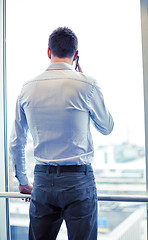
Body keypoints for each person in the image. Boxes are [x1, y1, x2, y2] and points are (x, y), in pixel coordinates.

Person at [9, 27, 114, 240]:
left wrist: (22, 180)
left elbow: (16, 141)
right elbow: (106, 127)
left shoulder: (27, 88)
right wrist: (85, 82)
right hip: (78, 180)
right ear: (76, 55)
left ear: (49, 52)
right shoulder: (87, 84)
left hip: (43, 181)